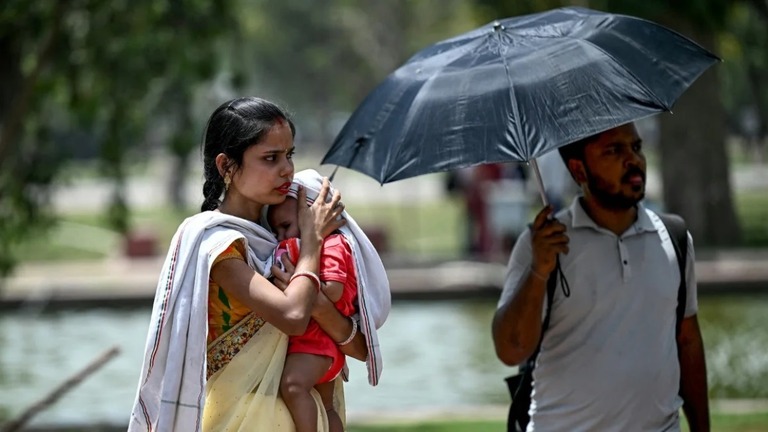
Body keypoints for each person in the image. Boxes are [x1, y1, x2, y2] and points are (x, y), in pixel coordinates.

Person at [128, 97, 373, 432]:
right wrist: (313, 243)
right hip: (239, 418)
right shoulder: (216, 247)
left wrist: (315, 291)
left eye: (289, 155)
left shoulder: (284, 235)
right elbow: (292, 318)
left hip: (301, 414)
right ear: (226, 166)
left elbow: (360, 348)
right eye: (270, 158)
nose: (287, 169)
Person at [492, 123, 710, 431]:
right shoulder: (541, 244)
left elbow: (687, 342)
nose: (633, 160)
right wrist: (539, 270)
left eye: (636, 147)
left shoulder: (673, 237)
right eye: (614, 151)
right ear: (579, 170)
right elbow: (510, 349)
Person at [266, 169, 390, 432]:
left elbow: (333, 290)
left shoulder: (332, 245)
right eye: (275, 230)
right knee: (327, 406)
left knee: (292, 384)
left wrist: (300, 282)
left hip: (317, 343)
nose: (281, 236)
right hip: (316, 343)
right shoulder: (302, 247)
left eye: (286, 226)